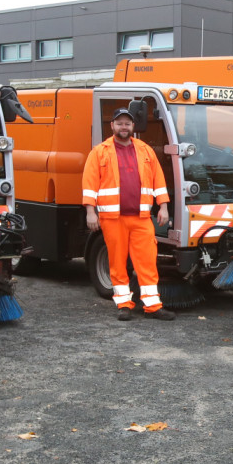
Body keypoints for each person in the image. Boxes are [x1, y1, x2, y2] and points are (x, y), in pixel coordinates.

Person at [82, 108, 175, 321]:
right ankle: (124, 304)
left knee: (148, 261)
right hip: (112, 219)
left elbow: (158, 180)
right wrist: (90, 211)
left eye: (127, 124)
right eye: (120, 123)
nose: (124, 127)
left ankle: (153, 306)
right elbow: (89, 183)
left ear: (133, 127)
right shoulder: (99, 152)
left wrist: (163, 206)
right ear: (112, 126)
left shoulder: (145, 150)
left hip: (142, 217)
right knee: (117, 261)